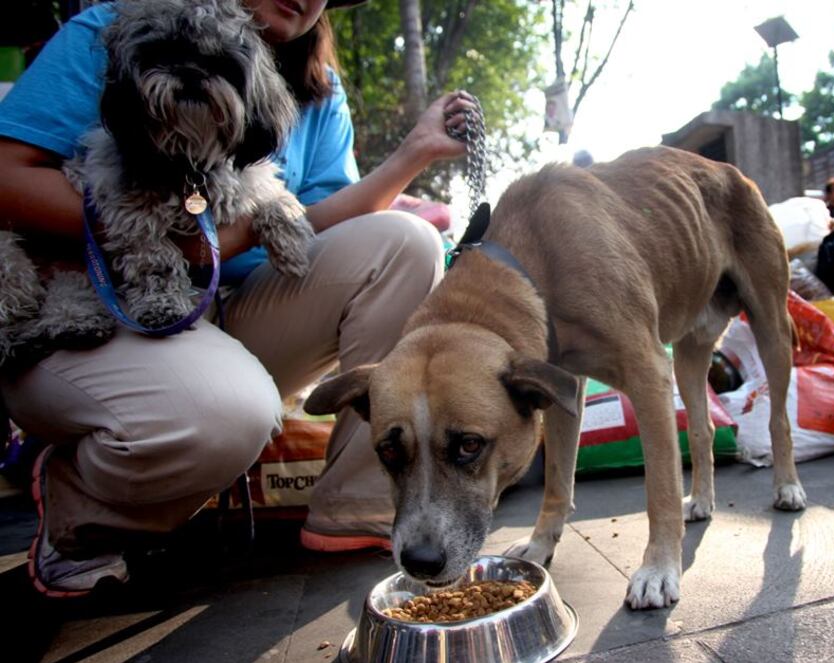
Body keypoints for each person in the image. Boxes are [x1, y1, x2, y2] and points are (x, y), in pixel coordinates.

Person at [0, 0, 477, 597]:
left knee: (406, 242)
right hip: (96, 303)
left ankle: (357, 506)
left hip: (230, 304)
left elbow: (311, 225)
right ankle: (86, 513)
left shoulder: (318, 89)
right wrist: (170, 235)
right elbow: (5, 174)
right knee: (225, 414)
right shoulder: (113, 27)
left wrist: (417, 151)